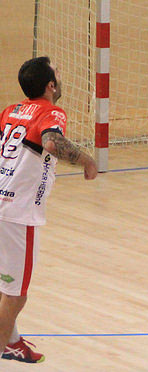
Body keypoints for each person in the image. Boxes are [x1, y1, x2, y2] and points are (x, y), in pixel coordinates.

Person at [0, 57, 98, 363]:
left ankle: (12, 341)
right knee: (16, 293)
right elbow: (52, 142)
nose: (61, 72)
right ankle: (2, 344)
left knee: (4, 282)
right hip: (17, 213)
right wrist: (85, 159)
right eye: (58, 70)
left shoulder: (11, 111)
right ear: (50, 85)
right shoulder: (51, 111)